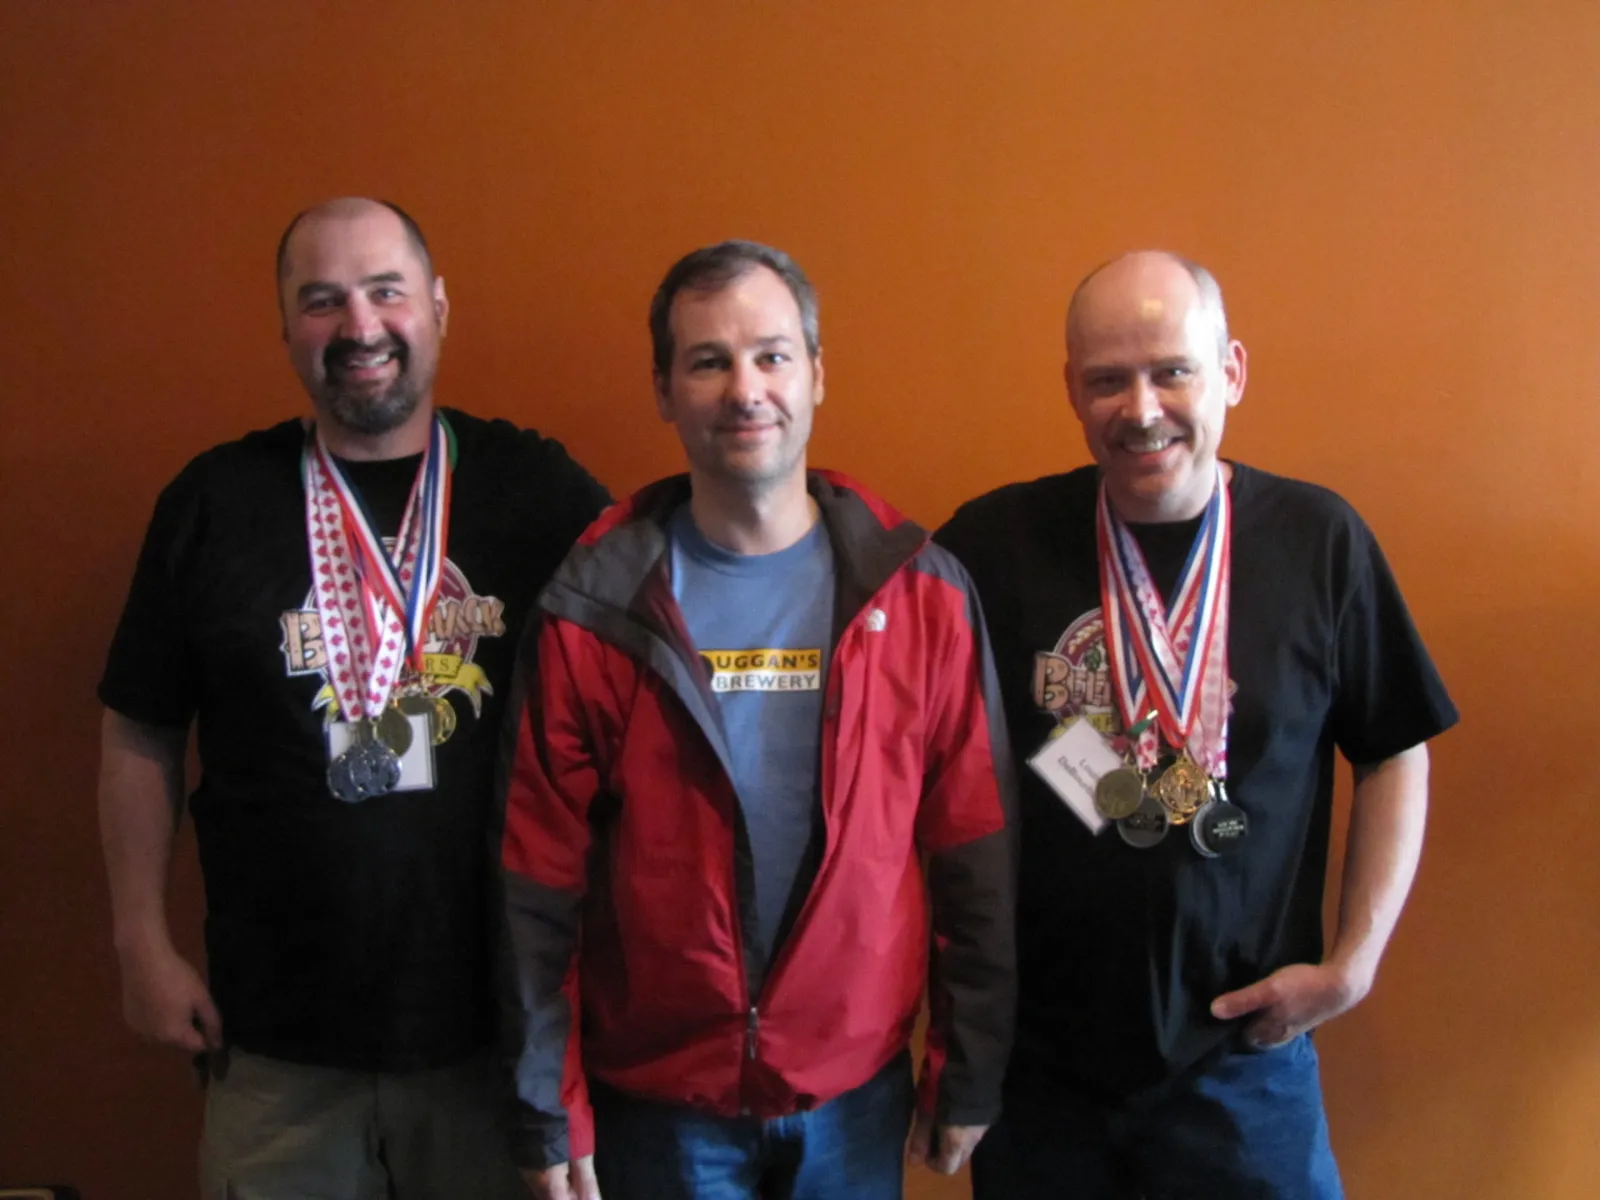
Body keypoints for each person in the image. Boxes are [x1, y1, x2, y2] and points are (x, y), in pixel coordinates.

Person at [97, 196, 611, 1198]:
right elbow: (140, 729)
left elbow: (643, 692)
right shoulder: (212, 502)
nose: (360, 327)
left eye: (386, 292)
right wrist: (138, 941)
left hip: (494, 1038)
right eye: (322, 301)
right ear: (285, 325)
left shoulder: (534, 489)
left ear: (439, 306)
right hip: (277, 1045)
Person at [935, 250, 1459, 1199]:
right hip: (1045, 1067)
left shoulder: (1318, 541)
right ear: (1071, 389)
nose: (1140, 409)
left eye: (1172, 370)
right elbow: (914, 755)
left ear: (1232, 372)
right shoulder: (991, 544)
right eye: (1107, 379)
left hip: (1245, 1059)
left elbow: (1394, 748)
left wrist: (1354, 965)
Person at [499, 239, 1016, 1200]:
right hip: (660, 1112)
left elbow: (972, 853)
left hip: (854, 1102)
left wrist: (970, 1062)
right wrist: (544, 1100)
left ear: (817, 373)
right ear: (664, 389)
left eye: (772, 355)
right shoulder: (595, 608)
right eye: (709, 361)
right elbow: (537, 882)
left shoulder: (922, 596)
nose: (746, 389)